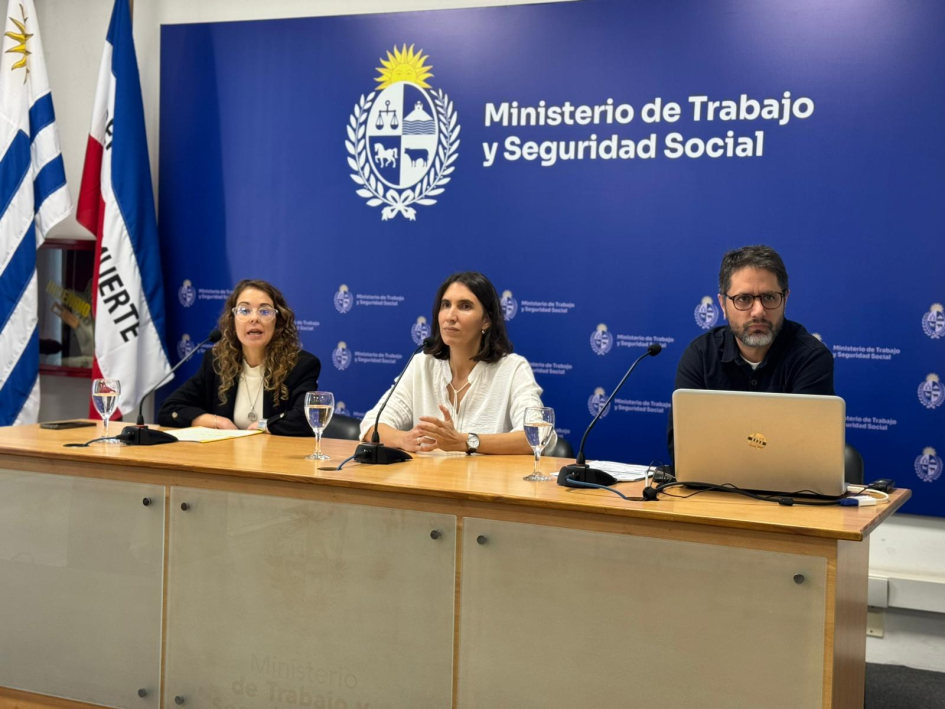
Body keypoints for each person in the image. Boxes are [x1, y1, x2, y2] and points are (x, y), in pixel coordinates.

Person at [360, 271, 554, 454]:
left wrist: (466, 442)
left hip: (485, 479)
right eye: (446, 305)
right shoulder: (422, 365)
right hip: (429, 478)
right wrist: (404, 439)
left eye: (465, 306)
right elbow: (371, 425)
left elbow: (539, 435)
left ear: (486, 320)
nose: (450, 316)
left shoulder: (512, 369)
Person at [668, 245, 834, 457]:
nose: (758, 311)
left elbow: (807, 452)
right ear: (723, 304)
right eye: (744, 299)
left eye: (769, 297)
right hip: (715, 479)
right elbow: (683, 448)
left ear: (785, 300)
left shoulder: (811, 357)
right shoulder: (701, 355)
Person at [159, 279, 320, 436]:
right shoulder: (218, 361)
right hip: (227, 453)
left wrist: (264, 425)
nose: (254, 318)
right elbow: (169, 409)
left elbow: (307, 418)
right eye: (244, 310)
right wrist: (217, 421)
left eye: (265, 311)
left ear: (277, 322)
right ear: (233, 320)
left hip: (277, 453)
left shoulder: (300, 365)